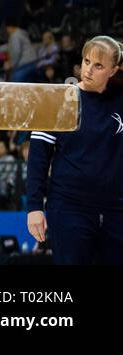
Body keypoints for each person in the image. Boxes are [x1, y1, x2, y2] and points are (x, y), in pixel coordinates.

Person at [26, 35, 123, 264]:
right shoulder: (57, 101)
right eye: (86, 61)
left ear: (113, 70)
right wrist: (34, 207)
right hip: (69, 207)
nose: (88, 70)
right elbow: (38, 159)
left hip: (116, 209)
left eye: (98, 65)